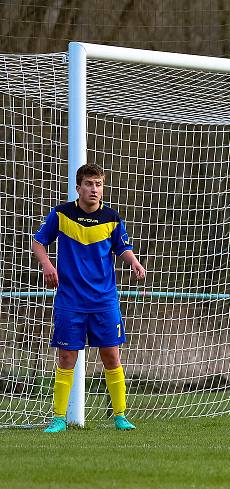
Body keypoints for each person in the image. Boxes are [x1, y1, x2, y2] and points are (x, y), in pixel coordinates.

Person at [32, 163, 146, 433]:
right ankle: (59, 418)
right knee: (66, 357)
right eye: (89, 184)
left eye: (98, 184)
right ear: (78, 187)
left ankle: (120, 416)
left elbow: (123, 247)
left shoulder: (112, 218)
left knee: (111, 355)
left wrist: (133, 262)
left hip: (104, 300)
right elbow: (38, 242)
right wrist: (48, 266)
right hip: (70, 299)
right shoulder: (61, 215)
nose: (94, 189)